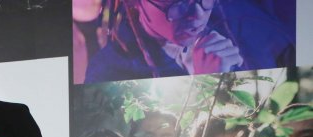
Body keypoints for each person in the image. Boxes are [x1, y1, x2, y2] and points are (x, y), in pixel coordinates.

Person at [84, 0, 295, 83]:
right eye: (177, 3)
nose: (198, 15)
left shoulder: (247, 23)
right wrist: (209, 82)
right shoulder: (108, 70)